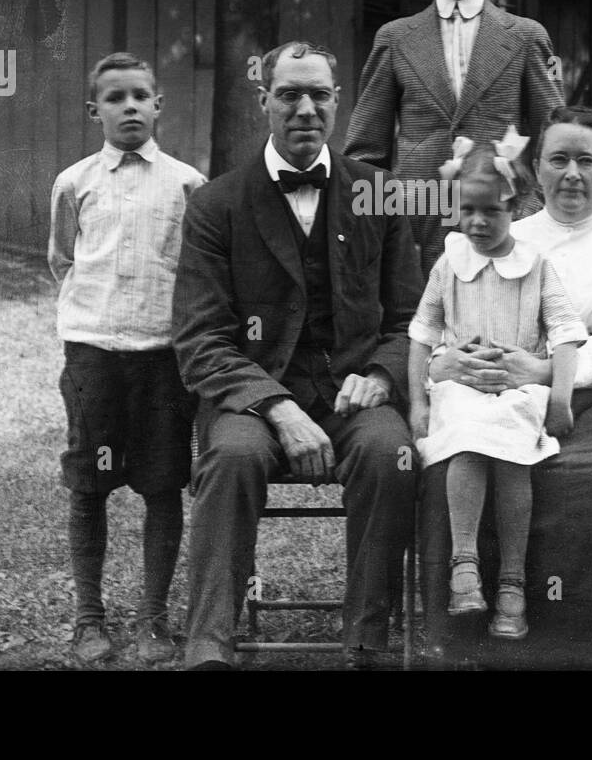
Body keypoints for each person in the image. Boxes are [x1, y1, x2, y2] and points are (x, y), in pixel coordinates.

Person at [419, 104, 592, 669]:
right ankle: (483, 640)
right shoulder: (504, 234)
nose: (572, 174)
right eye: (558, 160)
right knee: (461, 465)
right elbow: (450, 317)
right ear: (534, 170)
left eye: (586, 161)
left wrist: (548, 371)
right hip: (508, 394)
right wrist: (461, 360)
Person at [172, 41, 423, 670]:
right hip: (255, 398)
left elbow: (412, 319)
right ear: (264, 103)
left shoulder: (380, 194)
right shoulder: (215, 205)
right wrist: (277, 407)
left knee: (388, 453)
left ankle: (365, 641)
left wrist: (380, 374)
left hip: (352, 393)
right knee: (229, 457)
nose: (305, 108)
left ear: (337, 104)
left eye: (319, 94)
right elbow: (201, 339)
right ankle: (209, 647)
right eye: (289, 94)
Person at [47, 51, 207, 664]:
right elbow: (63, 259)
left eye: (141, 95)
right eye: (115, 98)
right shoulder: (75, 182)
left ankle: (155, 618)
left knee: (163, 485)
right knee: (89, 484)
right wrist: (96, 319)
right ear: (95, 111)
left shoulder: (188, 184)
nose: (130, 106)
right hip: (93, 355)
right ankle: (89, 618)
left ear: (159, 105)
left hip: (163, 359)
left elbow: (193, 271)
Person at [407, 130, 586, 640]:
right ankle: (464, 564)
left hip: (516, 388)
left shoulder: (536, 267)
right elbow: (421, 334)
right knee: (465, 430)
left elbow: (568, 337)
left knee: (511, 453)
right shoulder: (450, 263)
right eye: (468, 210)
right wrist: (419, 401)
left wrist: (561, 399)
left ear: (519, 205)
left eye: (493, 211)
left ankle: (512, 582)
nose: (479, 222)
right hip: (463, 385)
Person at [344, 0, 564, 274]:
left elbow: (553, 138)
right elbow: (365, 152)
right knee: (416, 326)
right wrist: (382, 219)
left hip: (503, 219)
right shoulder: (395, 38)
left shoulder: (526, 36)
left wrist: (530, 210)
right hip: (416, 222)